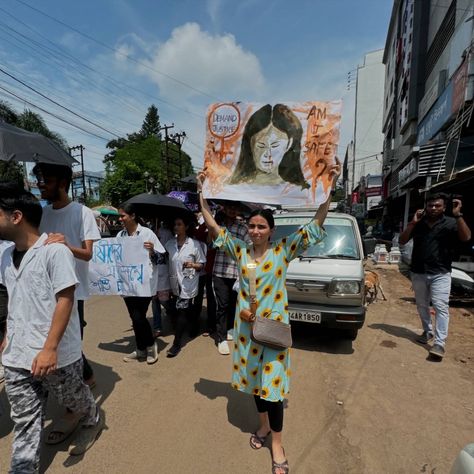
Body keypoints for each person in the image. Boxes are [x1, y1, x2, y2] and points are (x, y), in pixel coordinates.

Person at [197, 159, 340, 474]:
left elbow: (315, 224)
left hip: (273, 332)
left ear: (271, 231)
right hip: (248, 332)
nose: (256, 231)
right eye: (252, 226)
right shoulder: (240, 251)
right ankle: (262, 427)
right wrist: (201, 193)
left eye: (262, 226)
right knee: (255, 386)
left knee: (273, 391)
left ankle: (276, 442)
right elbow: (213, 227)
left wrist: (328, 188)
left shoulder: (283, 251)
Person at [0, 184, 103, 471]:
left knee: (75, 398)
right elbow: (15, 300)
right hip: (17, 356)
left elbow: (65, 299)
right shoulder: (6, 256)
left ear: (16, 216)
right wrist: (8, 335)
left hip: (54, 355)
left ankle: (92, 417)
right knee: (25, 420)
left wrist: (49, 348)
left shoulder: (54, 251)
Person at [33, 163, 100, 388]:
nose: (41, 185)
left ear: (63, 183)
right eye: (40, 180)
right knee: (57, 341)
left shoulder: (82, 212)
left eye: (47, 180)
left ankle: (78, 402)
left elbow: (88, 254)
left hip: (73, 291)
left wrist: (65, 245)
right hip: (45, 291)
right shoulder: (42, 214)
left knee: (69, 343)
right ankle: (86, 378)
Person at [399, 193, 471, 359]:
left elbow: (466, 237)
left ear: (444, 207)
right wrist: (412, 222)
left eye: (437, 205)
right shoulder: (419, 224)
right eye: (430, 205)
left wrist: (458, 215)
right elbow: (402, 241)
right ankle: (427, 332)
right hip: (418, 271)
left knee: (440, 306)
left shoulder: (451, 223)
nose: (433, 208)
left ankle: (439, 343)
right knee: (422, 304)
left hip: (441, 273)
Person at [117, 203, 165, 364]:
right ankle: (140, 349)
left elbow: (162, 258)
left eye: (123, 215)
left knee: (138, 317)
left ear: (132, 216)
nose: (120, 219)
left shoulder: (147, 233)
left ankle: (150, 346)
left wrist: (152, 250)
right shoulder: (120, 236)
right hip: (127, 284)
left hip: (144, 284)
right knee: (134, 317)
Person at [229, 104, 308, 188]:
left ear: (289, 144)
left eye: (275, 146)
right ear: (250, 144)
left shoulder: (295, 190)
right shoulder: (234, 188)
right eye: (261, 146)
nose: (268, 154)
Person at [165, 216, 206, 358]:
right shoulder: (169, 244)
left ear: (186, 227)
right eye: (174, 224)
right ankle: (194, 324)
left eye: (179, 224)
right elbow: (162, 261)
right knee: (177, 310)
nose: (176, 227)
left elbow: (201, 265)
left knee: (182, 310)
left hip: (188, 282)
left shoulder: (194, 244)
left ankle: (176, 344)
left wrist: (193, 265)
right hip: (173, 283)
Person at [212, 202, 250, 355]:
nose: (233, 210)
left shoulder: (243, 228)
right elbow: (211, 245)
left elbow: (250, 247)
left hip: (237, 273)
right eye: (231, 207)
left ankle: (230, 329)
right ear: (225, 208)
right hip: (220, 272)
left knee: (234, 305)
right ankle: (221, 339)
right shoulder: (218, 227)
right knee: (222, 305)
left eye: (236, 208)